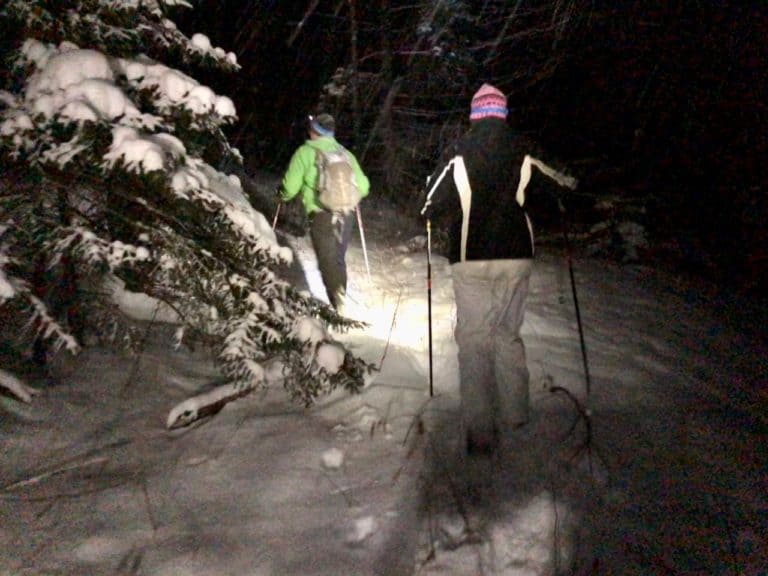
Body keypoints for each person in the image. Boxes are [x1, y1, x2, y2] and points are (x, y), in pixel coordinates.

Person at [421, 84, 576, 456]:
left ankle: (479, 429)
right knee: (507, 334)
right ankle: (516, 416)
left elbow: (430, 202)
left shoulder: (459, 152)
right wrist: (561, 201)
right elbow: (563, 186)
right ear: (502, 114)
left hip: (470, 256)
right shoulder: (522, 149)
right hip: (515, 256)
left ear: (474, 115)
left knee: (474, 341)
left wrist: (431, 209)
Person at [279, 113, 370, 311]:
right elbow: (363, 186)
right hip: (347, 214)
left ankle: (338, 306)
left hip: (322, 214)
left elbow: (290, 188)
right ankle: (341, 301)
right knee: (337, 259)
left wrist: (282, 194)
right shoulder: (345, 153)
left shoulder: (305, 152)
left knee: (327, 262)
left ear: (314, 131)